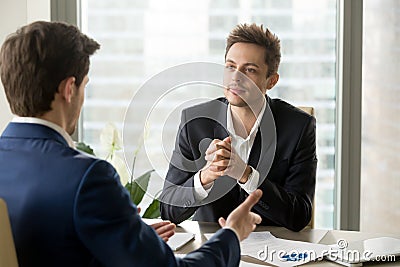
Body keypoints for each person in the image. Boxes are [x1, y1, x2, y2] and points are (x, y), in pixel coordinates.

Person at [0, 21, 263, 267]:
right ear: (70, 89)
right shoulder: (88, 177)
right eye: (84, 87)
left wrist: (123, 236)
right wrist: (231, 235)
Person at [160, 23, 317, 232]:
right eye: (230, 67)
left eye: (249, 70)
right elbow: (168, 210)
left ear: (271, 80)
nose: (236, 78)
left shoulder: (299, 127)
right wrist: (205, 176)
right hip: (214, 251)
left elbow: (299, 216)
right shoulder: (195, 122)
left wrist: (246, 175)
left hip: (273, 254)